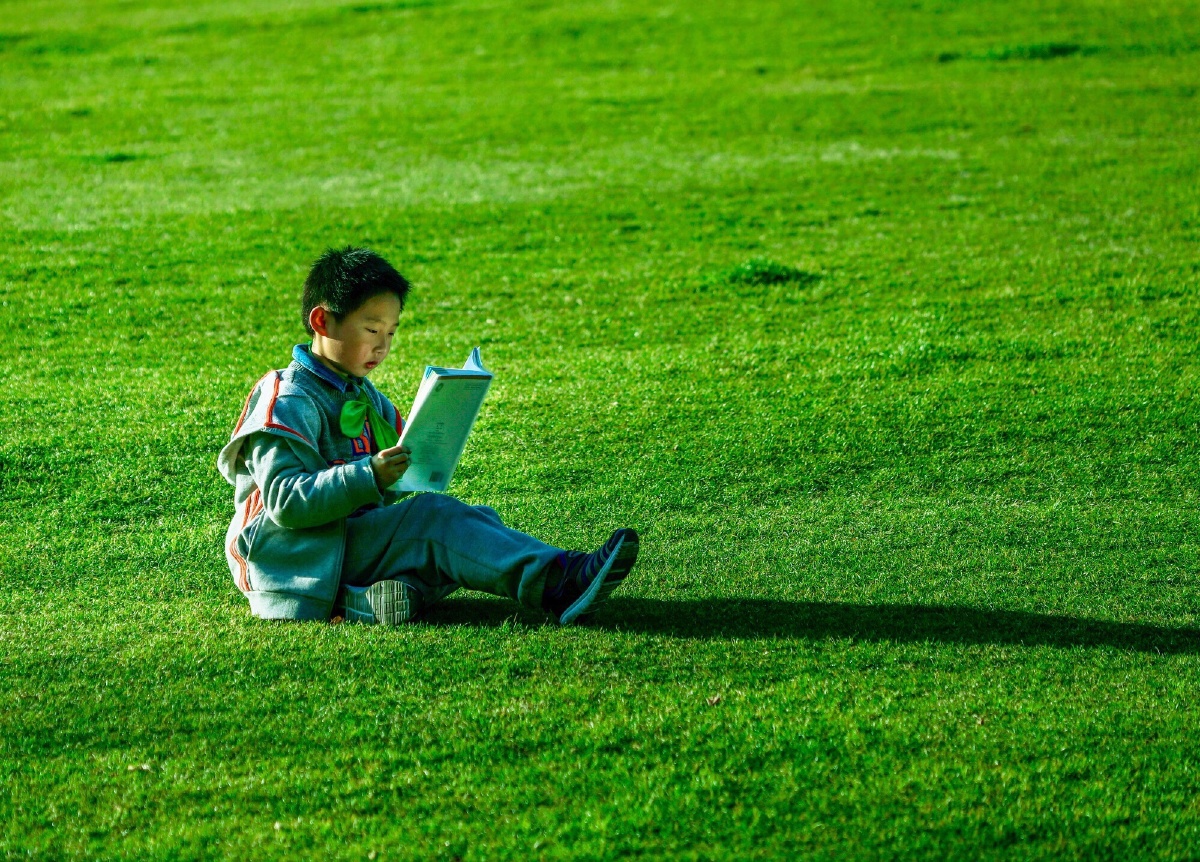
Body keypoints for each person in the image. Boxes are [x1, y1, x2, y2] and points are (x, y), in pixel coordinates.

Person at [216, 246, 639, 625]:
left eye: (391, 333)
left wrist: (419, 460)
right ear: (322, 320)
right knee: (436, 522)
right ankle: (560, 582)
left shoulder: (367, 397)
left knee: (477, 523)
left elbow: (385, 491)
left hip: (340, 543)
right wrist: (370, 475)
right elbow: (286, 503)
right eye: (371, 330)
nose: (382, 346)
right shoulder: (288, 397)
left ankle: (361, 601)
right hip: (290, 557)